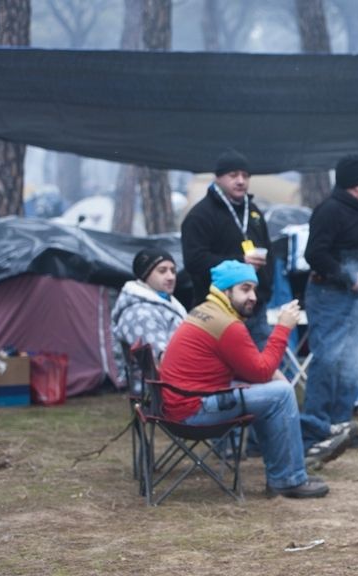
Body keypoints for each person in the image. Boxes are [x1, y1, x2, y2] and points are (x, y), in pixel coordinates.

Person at [160, 260, 330, 499]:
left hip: (179, 404)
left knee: (270, 391)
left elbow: (253, 370)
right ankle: (288, 479)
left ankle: (285, 473)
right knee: (281, 394)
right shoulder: (226, 324)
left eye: (254, 289)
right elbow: (261, 371)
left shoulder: (206, 311)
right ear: (225, 290)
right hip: (193, 411)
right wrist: (283, 328)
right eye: (245, 289)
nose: (253, 297)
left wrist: (267, 375)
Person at [302, 154, 358, 457]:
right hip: (329, 295)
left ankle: (341, 424)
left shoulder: (357, 212)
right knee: (327, 359)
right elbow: (315, 254)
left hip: (353, 297)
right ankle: (315, 428)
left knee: (351, 358)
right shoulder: (330, 210)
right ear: (354, 183)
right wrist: (349, 277)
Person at [181, 149, 275, 347]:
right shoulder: (200, 215)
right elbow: (194, 261)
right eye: (233, 175)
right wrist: (240, 261)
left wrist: (265, 291)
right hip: (217, 313)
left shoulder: (253, 212)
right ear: (218, 178)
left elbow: (269, 250)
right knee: (223, 365)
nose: (240, 181)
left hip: (255, 309)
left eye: (245, 176)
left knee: (262, 363)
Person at [112, 248, 188, 368]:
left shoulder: (166, 305)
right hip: (165, 379)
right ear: (145, 275)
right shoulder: (140, 315)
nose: (171, 277)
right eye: (162, 271)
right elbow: (161, 362)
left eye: (173, 271)